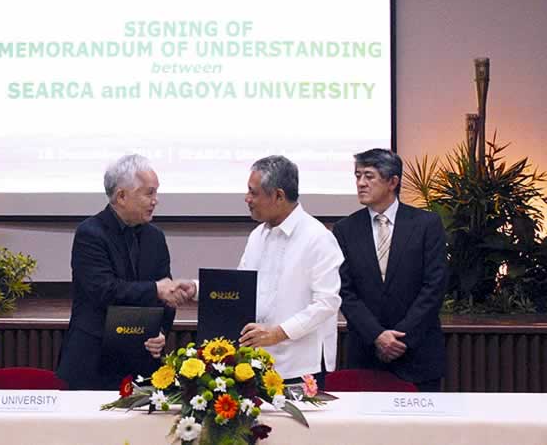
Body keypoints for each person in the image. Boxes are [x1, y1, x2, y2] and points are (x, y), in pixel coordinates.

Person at [180, 156, 343, 386]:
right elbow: (240, 289)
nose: (247, 199)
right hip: (257, 363)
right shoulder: (258, 235)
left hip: (301, 365)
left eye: (253, 192)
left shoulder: (318, 238)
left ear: (278, 195)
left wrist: (278, 333)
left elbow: (327, 303)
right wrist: (197, 289)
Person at [57, 154, 187, 390]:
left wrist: (161, 332)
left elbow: (166, 296)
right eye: (149, 193)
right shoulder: (90, 233)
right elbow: (104, 290)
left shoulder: (155, 237)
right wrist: (155, 289)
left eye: (156, 192)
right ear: (122, 196)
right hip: (94, 362)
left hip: (142, 362)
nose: (155, 200)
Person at [333, 148, 448, 391]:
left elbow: (434, 287)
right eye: (357, 176)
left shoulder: (426, 224)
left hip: (417, 353)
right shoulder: (345, 229)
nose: (361, 183)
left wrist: (400, 338)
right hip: (366, 353)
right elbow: (345, 290)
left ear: (393, 182)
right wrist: (377, 336)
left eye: (369, 176)